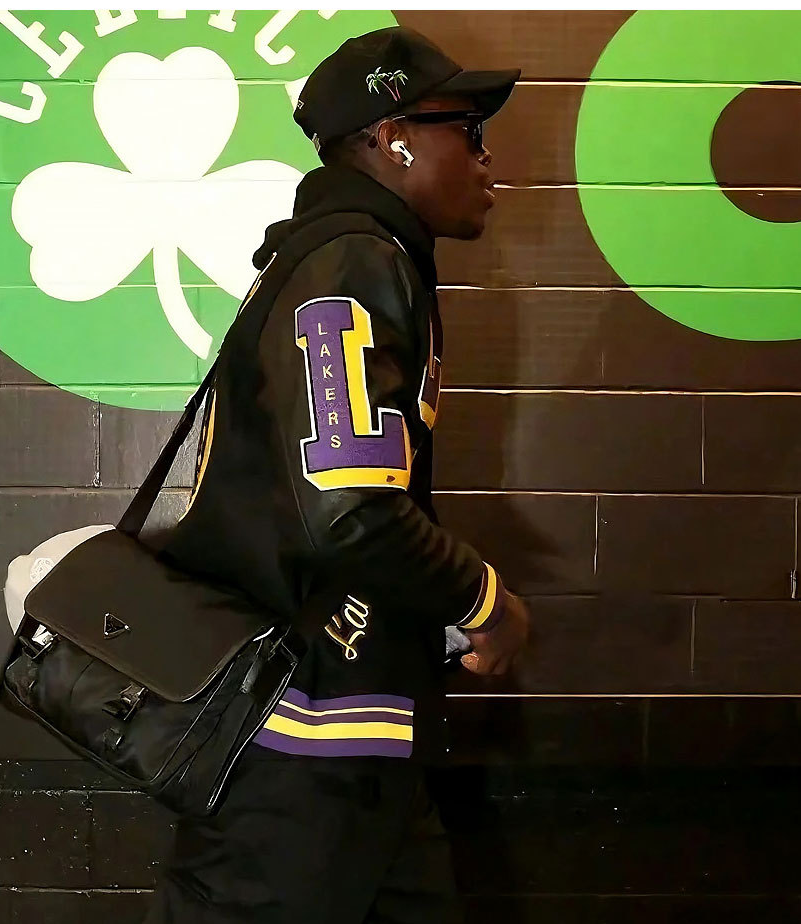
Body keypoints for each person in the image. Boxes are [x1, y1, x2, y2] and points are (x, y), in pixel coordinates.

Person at [147, 25, 529, 924]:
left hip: (347, 748)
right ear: (393, 138)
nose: (486, 158)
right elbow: (349, 508)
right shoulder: (352, 264)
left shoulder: (352, 256)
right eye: (467, 130)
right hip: (300, 759)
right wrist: (484, 601)